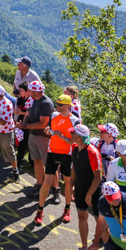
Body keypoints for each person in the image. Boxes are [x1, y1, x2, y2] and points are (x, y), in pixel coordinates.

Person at [34, 93, 79, 225]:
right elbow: (47, 129)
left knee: (68, 183)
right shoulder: (53, 115)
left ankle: (67, 209)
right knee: (46, 182)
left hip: (67, 155)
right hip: (52, 152)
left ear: (68, 106)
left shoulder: (74, 120)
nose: (57, 106)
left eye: (60, 104)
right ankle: (40, 210)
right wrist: (48, 131)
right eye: (57, 103)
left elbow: (73, 142)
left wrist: (61, 137)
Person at [16, 80, 54, 198]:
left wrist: (25, 126)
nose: (28, 92)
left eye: (30, 90)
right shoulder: (32, 100)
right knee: (36, 160)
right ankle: (40, 184)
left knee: (48, 163)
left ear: (36, 91)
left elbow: (42, 123)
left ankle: (51, 188)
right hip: (33, 134)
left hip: (43, 137)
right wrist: (24, 124)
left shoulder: (46, 103)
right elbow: (28, 114)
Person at [70, 124, 103, 250]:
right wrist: (71, 185)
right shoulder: (74, 148)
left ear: (78, 137)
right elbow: (74, 168)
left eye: (72, 133)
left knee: (100, 222)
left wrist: (89, 194)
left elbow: (98, 177)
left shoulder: (92, 153)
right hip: (80, 188)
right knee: (82, 216)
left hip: (94, 191)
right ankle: (84, 249)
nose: (70, 135)